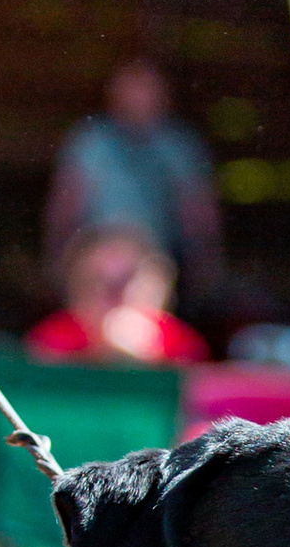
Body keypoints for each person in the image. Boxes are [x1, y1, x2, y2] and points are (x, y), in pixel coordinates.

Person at [43, 59, 221, 302]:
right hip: (95, 258)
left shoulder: (179, 146)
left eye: (146, 91)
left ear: (163, 97)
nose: (138, 100)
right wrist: (58, 257)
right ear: (114, 97)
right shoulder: (91, 142)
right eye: (131, 91)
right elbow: (65, 206)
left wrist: (205, 263)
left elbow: (197, 213)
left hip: (154, 259)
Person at [27, 220, 211, 365]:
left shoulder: (180, 344)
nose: (114, 297)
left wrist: (146, 359)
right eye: (99, 281)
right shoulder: (50, 340)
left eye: (125, 282)